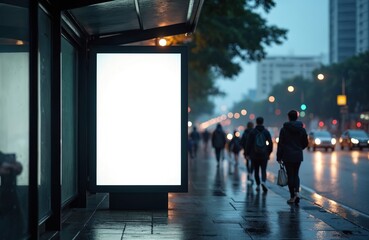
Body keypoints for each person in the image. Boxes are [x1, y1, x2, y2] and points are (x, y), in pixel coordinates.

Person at [276, 110, 308, 205]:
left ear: (288, 117)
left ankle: (292, 196)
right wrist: (299, 148)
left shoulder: (284, 129)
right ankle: (297, 192)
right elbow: (305, 143)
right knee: (296, 174)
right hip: (298, 154)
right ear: (297, 117)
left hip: (287, 155)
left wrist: (279, 156)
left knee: (290, 175)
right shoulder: (301, 129)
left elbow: (280, 144)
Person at [245, 117, 273, 192]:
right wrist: (269, 152)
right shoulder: (266, 132)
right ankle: (263, 181)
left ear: (256, 122)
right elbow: (270, 143)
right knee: (263, 169)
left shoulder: (252, 132)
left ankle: (257, 185)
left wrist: (247, 153)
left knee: (256, 170)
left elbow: (248, 144)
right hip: (264, 154)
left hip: (254, 155)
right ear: (262, 122)